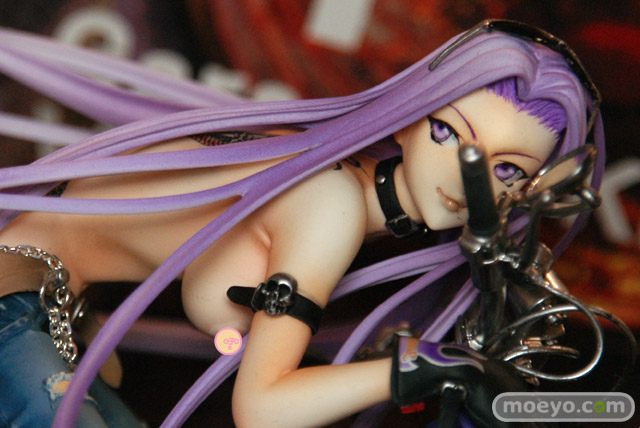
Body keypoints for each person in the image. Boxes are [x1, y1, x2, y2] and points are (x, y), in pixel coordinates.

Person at [0, 20, 603, 428]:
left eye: (506, 169)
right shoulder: (330, 201)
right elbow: (261, 411)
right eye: (446, 133)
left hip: (55, 308)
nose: (464, 178)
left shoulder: (327, 170)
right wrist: (435, 366)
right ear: (408, 119)